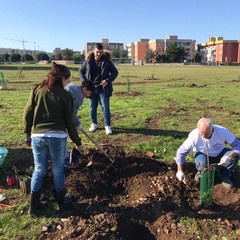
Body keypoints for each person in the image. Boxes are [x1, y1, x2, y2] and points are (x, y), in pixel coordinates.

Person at [23, 62, 83, 215]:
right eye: (67, 80)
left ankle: (34, 205)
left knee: (39, 169)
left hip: (37, 137)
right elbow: (70, 122)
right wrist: (78, 142)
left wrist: (27, 133)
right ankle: (61, 201)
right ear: (62, 78)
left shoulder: (37, 89)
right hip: (57, 138)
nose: (67, 83)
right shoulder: (65, 95)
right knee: (57, 170)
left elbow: (28, 113)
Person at [175, 117, 240, 188]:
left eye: (206, 134)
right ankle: (201, 174)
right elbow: (181, 152)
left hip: (219, 153)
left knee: (235, 156)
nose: (203, 136)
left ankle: (224, 175)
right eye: (201, 133)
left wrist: (229, 156)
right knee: (202, 165)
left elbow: (237, 145)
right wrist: (180, 170)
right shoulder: (194, 136)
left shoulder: (222, 131)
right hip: (202, 153)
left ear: (212, 129)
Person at [79, 43, 118, 135]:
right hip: (91, 89)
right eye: (97, 52)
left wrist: (107, 80)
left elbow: (115, 73)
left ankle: (107, 125)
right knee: (92, 107)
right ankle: (94, 124)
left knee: (105, 108)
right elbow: (80, 71)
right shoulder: (88, 61)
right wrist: (84, 82)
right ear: (93, 51)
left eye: (100, 52)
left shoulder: (107, 61)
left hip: (103, 89)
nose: (99, 54)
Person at [64, 80, 94, 168]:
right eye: (89, 92)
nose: (89, 95)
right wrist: (77, 124)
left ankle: (64, 153)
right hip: (61, 117)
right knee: (63, 134)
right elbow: (72, 113)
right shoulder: (79, 95)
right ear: (84, 89)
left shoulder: (74, 87)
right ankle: (65, 159)